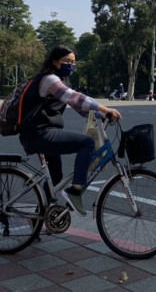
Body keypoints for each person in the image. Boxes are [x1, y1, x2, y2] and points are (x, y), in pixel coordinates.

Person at [18, 45, 122, 216]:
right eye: (67, 61)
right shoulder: (49, 79)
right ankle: (75, 191)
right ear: (54, 62)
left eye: (74, 62)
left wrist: (100, 115)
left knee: (56, 176)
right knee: (87, 143)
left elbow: (78, 107)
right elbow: (75, 98)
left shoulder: (62, 82)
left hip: (43, 133)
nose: (71, 66)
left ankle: (39, 216)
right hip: (39, 134)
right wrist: (105, 109)